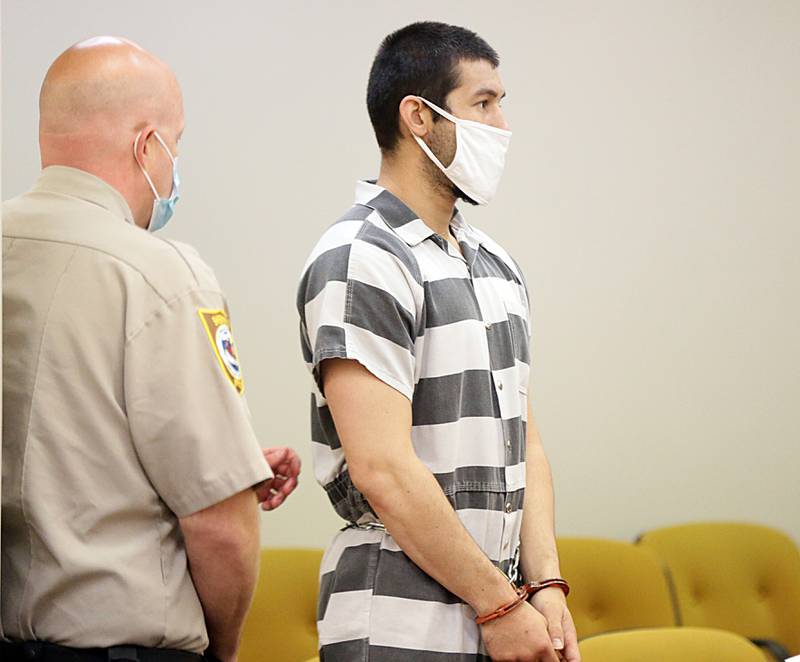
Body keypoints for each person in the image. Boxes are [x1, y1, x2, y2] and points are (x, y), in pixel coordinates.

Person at [1, 37, 300, 662]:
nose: (174, 165)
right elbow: (219, 525)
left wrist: (231, 465)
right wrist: (223, 652)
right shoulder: (160, 276)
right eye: (177, 143)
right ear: (146, 147)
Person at [297, 21, 580, 662]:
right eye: (483, 103)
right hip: (399, 623)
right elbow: (382, 469)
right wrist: (500, 603)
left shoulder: (494, 263)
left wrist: (545, 586)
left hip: (500, 612)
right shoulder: (361, 257)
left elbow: (525, 444)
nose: (502, 125)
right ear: (418, 118)